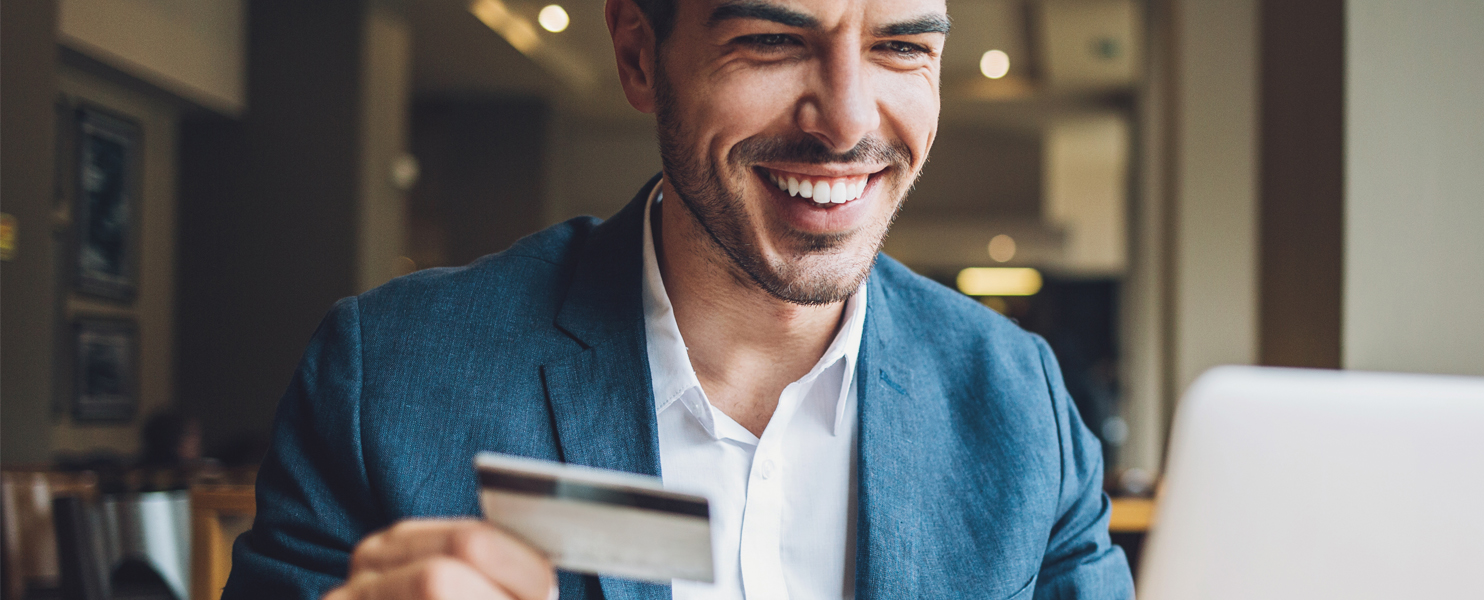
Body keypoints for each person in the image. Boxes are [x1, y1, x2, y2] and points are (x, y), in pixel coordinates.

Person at [220, 0, 1133, 598]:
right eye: (772, 42)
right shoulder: (387, 375)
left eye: (900, 47)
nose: (850, 121)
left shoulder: (1023, 404)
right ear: (638, 55)